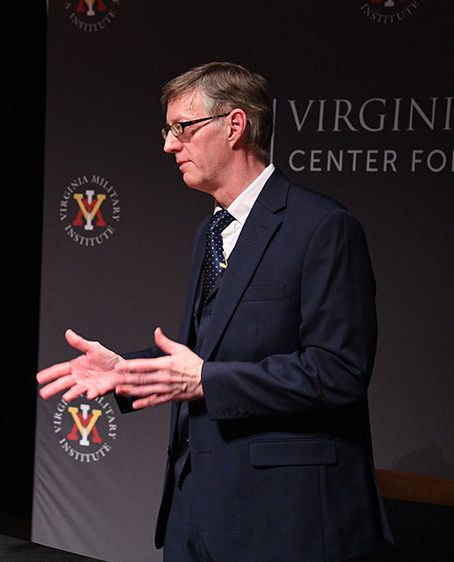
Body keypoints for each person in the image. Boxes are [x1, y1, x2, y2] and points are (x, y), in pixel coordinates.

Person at [36, 62, 392, 561]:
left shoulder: (323, 227)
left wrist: (207, 382)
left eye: (182, 127)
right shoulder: (211, 231)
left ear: (235, 125)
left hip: (284, 522)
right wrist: (127, 372)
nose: (168, 145)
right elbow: (209, 352)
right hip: (195, 514)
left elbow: (339, 371)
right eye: (167, 130)